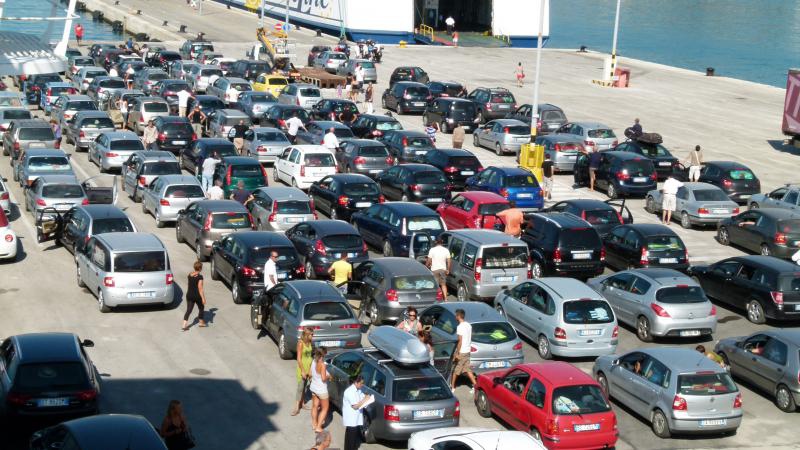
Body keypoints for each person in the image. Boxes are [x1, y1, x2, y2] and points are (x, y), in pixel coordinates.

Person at [451, 309, 477, 393]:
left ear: (458, 316)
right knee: (467, 370)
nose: (455, 317)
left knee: (456, 370)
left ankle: (452, 387)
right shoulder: (468, 325)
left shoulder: (460, 327)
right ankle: (476, 386)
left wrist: (457, 353)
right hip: (467, 351)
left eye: (456, 315)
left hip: (462, 351)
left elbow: (460, 341)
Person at [342, 376, 372, 450]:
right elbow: (355, 406)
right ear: (355, 382)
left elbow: (362, 396)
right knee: (351, 440)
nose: (362, 385)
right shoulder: (350, 391)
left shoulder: (358, 390)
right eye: (361, 383)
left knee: (351, 438)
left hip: (356, 419)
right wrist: (365, 399)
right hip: (351, 420)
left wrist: (367, 397)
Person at [291, 326, 314, 416]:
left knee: (304, 387)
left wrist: (310, 369)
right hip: (302, 368)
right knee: (300, 388)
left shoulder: (310, 342)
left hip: (309, 368)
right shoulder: (300, 343)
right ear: (307, 335)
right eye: (311, 335)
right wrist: (303, 371)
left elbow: (310, 356)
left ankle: (302, 403)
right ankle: (296, 407)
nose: (313, 336)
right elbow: (299, 359)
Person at [309, 347, 330, 433]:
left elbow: (310, 374)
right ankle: (318, 427)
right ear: (323, 354)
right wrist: (329, 376)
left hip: (313, 387)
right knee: (325, 408)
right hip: (321, 390)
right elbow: (323, 378)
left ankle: (314, 424)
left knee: (314, 406)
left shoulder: (313, 361)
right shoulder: (323, 364)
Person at [182, 261, 207, 331]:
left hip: (189, 295)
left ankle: (184, 325)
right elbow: (200, 288)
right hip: (197, 296)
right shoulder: (200, 277)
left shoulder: (190, 275)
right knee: (201, 307)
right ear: (200, 268)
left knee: (189, 310)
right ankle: (201, 322)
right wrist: (203, 298)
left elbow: (193, 275)